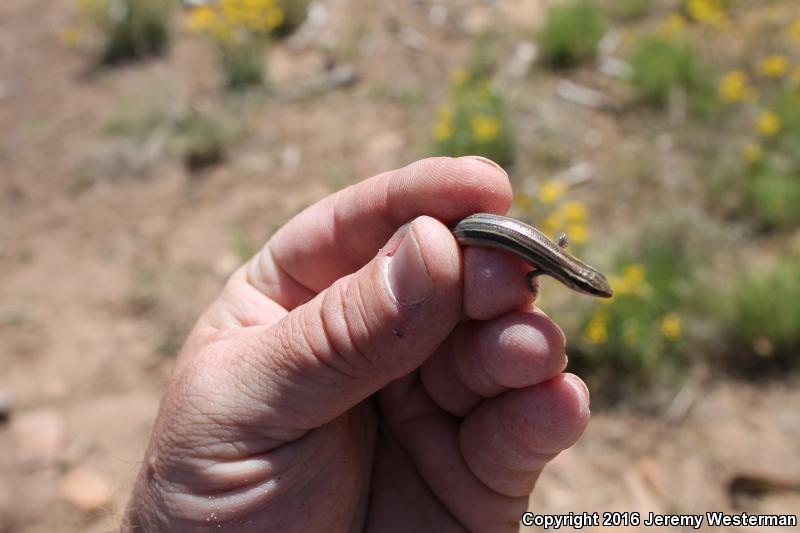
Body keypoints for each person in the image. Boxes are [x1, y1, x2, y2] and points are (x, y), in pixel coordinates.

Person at [122, 157, 590, 532]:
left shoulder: (553, 261)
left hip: (474, 234)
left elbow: (540, 258)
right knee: (450, 272)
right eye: (592, 287)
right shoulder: (552, 263)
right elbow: (535, 263)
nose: (590, 288)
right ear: (578, 282)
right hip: (466, 235)